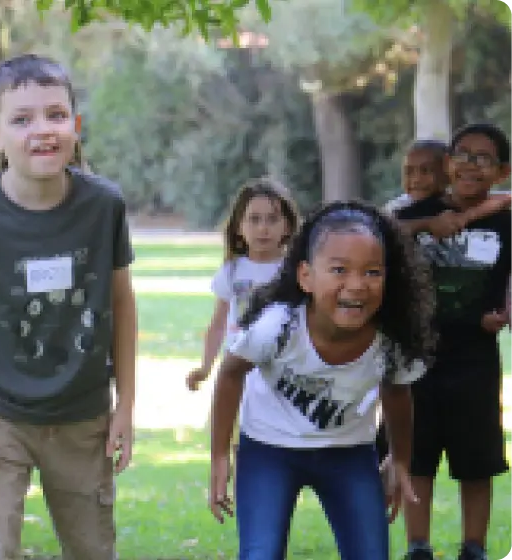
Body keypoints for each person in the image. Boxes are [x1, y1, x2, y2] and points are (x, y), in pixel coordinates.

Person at [0, 53, 137, 560]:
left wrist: (125, 404)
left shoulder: (104, 206)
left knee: (93, 550)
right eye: (21, 119)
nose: (42, 130)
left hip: (84, 414)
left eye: (55, 115)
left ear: (76, 126)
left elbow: (123, 305)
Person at [209, 200, 436, 560]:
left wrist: (400, 459)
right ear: (306, 276)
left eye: (373, 272)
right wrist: (220, 455)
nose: (357, 285)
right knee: (260, 553)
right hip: (270, 450)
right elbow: (231, 372)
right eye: (339, 270)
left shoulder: (389, 343)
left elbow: (396, 392)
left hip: (348, 453)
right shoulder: (278, 326)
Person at [396, 123, 512, 560]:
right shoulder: (414, 211)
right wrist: (435, 221)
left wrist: (502, 313)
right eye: (462, 154)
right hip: (415, 357)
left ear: (502, 172)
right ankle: (418, 547)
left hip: (475, 359)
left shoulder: (505, 223)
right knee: (416, 457)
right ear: (448, 163)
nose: (470, 165)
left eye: (483, 159)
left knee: (476, 463)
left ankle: (474, 548)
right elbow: (380, 232)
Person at [185, 177, 300, 392]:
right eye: (254, 219)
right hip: (239, 372)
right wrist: (205, 367)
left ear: (287, 226)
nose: (263, 228)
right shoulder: (232, 271)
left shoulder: (296, 272)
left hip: (283, 373)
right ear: (239, 226)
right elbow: (218, 324)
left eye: (272, 219)